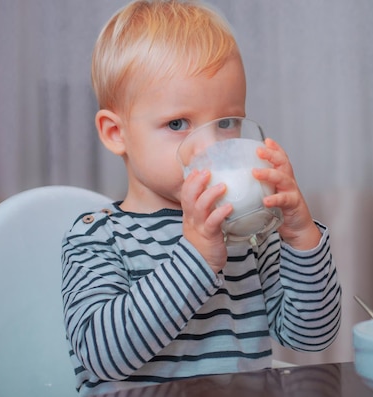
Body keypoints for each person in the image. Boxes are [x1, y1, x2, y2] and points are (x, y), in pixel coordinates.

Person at [61, 0, 342, 395]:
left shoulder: (246, 230)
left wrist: (302, 238)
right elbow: (103, 355)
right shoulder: (98, 237)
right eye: (178, 124)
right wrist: (196, 258)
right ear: (115, 133)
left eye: (226, 123)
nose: (209, 146)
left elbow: (311, 336)